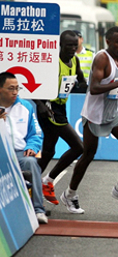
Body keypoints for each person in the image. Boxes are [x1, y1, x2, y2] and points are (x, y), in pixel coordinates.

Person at [60, 26, 118, 214]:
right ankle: (69, 194)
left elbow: (112, 81)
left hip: (113, 114)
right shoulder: (102, 58)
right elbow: (94, 87)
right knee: (88, 155)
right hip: (94, 114)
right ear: (108, 42)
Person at [33, 30, 85, 205]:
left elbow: (84, 83)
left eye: (75, 45)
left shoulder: (75, 61)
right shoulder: (52, 62)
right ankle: (47, 181)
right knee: (78, 147)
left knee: (49, 150)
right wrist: (40, 105)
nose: (72, 48)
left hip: (61, 106)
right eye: (69, 45)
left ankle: (29, 182)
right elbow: (33, 85)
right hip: (49, 107)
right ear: (60, 45)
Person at [0, 72, 47, 224]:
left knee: (31, 162)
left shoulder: (26, 106)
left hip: (19, 153)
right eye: (10, 88)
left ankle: (38, 210)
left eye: (17, 88)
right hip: (1, 153)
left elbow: (36, 134)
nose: (15, 92)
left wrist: (32, 147)